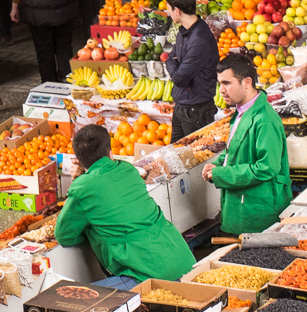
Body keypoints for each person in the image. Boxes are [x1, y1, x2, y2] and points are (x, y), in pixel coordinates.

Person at [55, 125, 196, 289]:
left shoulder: (82, 188)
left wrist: (90, 232)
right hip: (183, 260)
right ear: (110, 152)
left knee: (83, 301)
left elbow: (63, 235)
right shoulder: (128, 169)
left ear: (77, 160)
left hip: (146, 275)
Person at [202, 53, 291, 235]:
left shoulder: (265, 120)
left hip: (258, 213)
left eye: (227, 83)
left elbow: (266, 167)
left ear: (247, 82)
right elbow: (236, 151)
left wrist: (221, 173)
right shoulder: (242, 113)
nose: (221, 90)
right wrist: (217, 165)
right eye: (220, 84)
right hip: (242, 207)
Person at [163, 0, 218, 142]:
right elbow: (170, 58)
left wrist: (173, 64)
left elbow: (180, 78)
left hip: (196, 111)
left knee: (196, 156)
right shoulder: (184, 31)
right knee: (175, 151)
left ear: (177, 11)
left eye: (168, 9)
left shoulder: (200, 40)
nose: (168, 13)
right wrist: (173, 63)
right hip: (182, 104)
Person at [10, 0, 76, 82]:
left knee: (44, 51)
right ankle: (67, 81)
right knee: (64, 47)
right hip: (64, 9)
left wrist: (15, 6)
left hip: (37, 13)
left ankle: (49, 85)